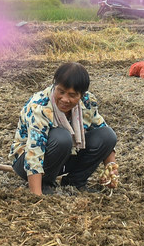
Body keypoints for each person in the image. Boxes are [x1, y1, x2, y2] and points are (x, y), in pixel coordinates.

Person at [11, 62, 118, 196]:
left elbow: (101, 129)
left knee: (108, 136)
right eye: (61, 92)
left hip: (65, 156)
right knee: (62, 137)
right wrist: (36, 196)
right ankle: (45, 183)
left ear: (82, 95)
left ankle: (75, 182)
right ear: (54, 85)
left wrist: (111, 169)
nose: (65, 99)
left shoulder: (87, 102)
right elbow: (34, 152)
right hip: (26, 161)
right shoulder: (40, 106)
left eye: (72, 95)